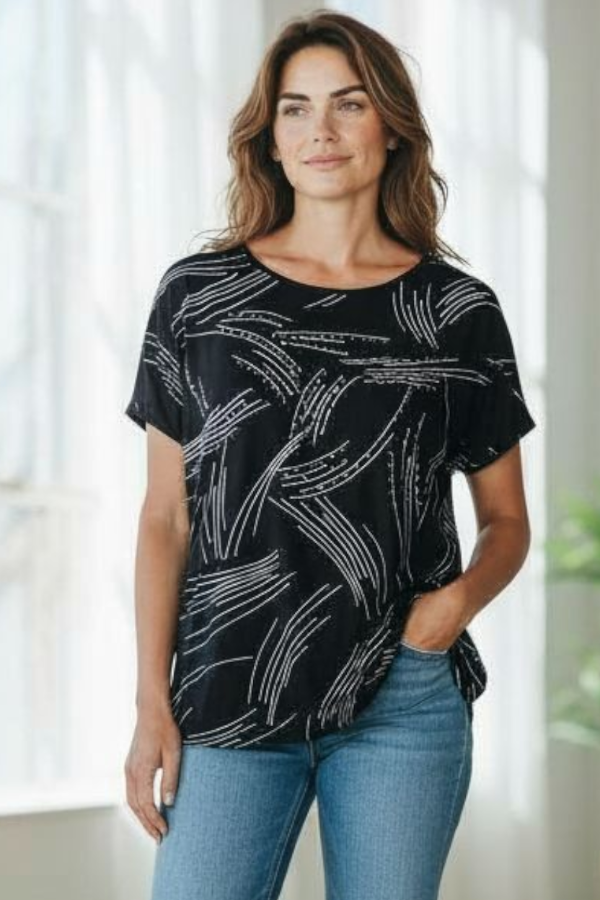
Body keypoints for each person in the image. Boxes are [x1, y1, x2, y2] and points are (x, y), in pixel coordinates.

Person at [123, 10, 536, 900]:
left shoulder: (456, 311)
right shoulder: (199, 298)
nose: (321, 130)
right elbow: (166, 518)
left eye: (349, 104)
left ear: (391, 128)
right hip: (229, 683)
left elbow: (506, 522)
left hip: (403, 696)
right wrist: (152, 702)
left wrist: (451, 609)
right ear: (270, 139)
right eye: (296, 108)